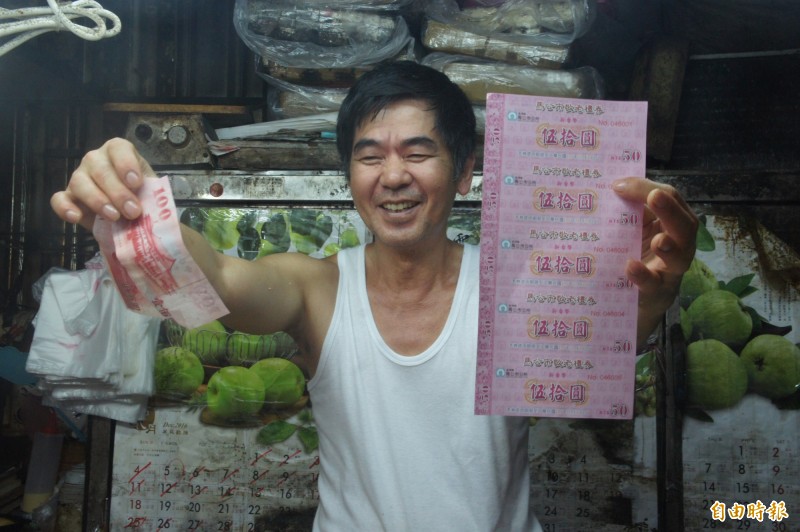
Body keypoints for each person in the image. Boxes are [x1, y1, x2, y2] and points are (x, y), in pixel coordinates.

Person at [51, 61, 698, 531]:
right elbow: (220, 277)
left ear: (465, 171)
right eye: (369, 156)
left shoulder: (517, 291)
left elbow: (599, 351)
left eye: (418, 152)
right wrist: (138, 202)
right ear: (349, 174)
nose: (393, 176)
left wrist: (651, 294)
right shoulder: (316, 288)